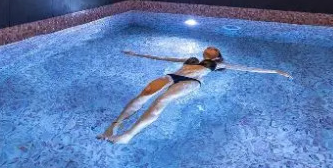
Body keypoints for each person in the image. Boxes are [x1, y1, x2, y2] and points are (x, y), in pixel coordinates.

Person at [98, 46, 292, 144]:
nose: (210, 47)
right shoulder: (191, 59)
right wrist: (136, 54)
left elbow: (247, 68)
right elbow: (162, 57)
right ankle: (114, 126)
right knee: (144, 94)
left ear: (217, 55)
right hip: (172, 76)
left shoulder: (218, 64)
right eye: (209, 47)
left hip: (192, 82)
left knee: (160, 102)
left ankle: (127, 136)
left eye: (214, 48)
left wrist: (275, 71)